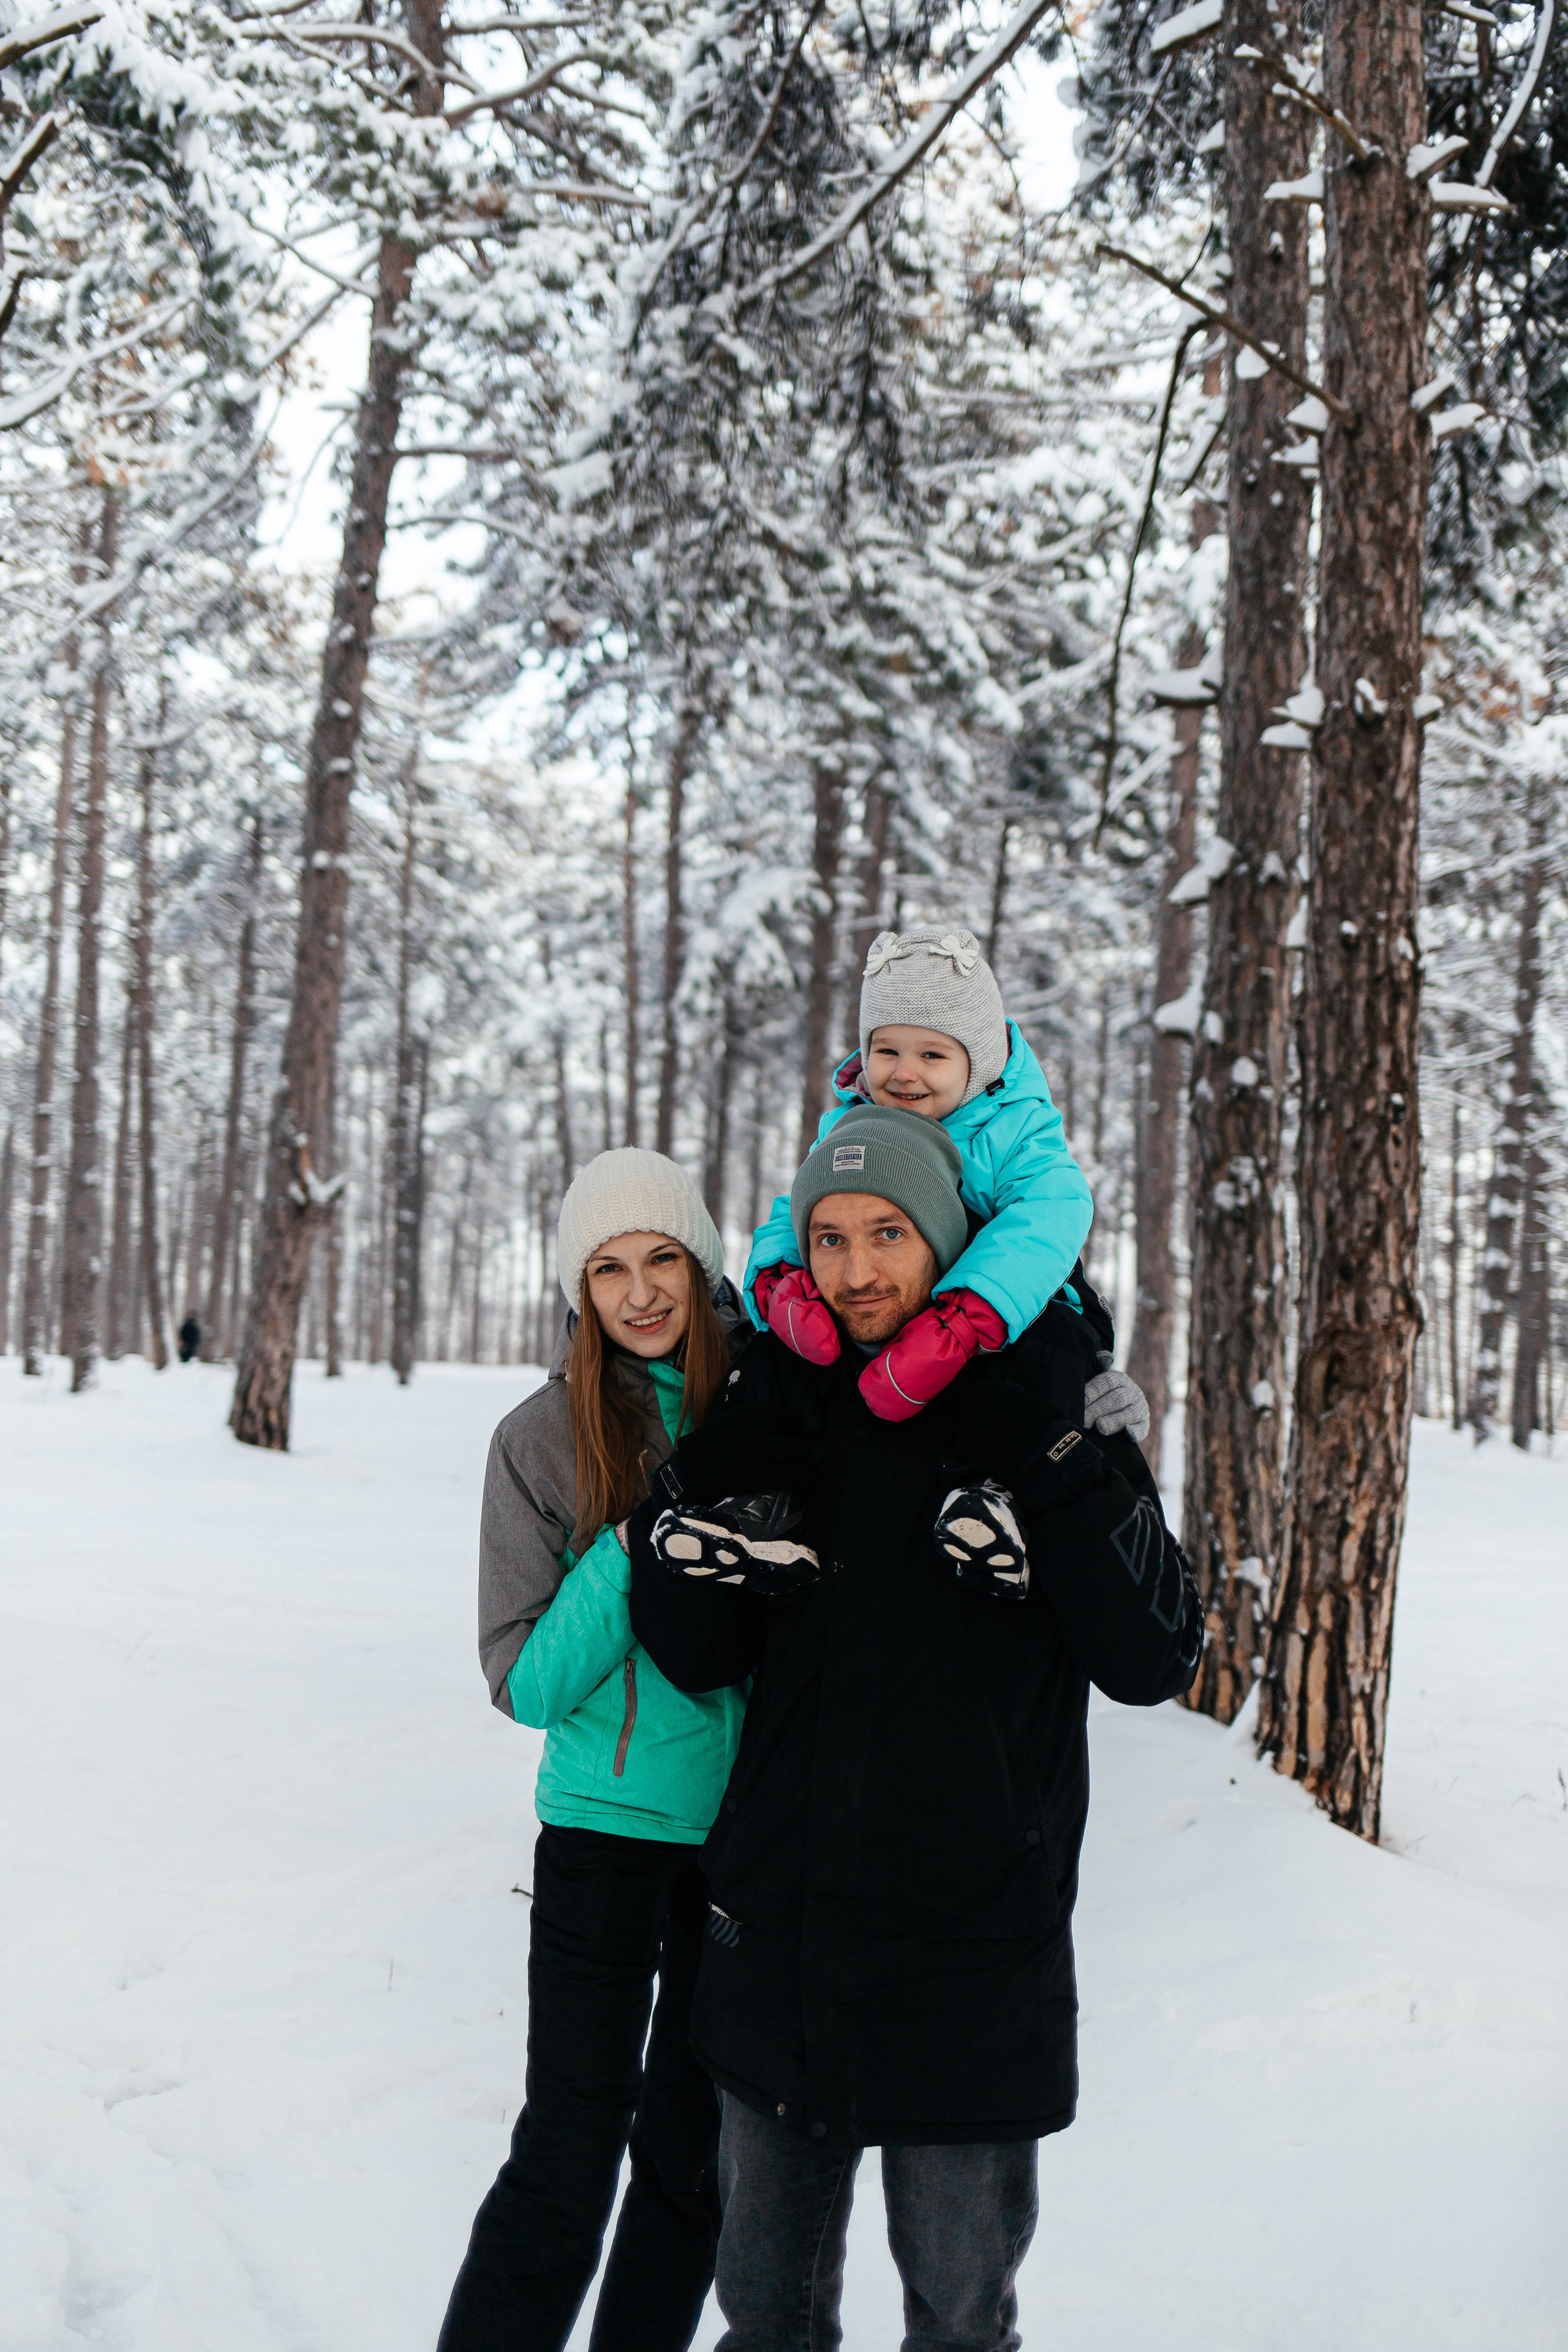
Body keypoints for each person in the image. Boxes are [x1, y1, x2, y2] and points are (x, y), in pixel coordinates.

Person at [628, 1106, 1202, 2352]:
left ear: (947, 1239)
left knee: (958, 2321)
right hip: (778, 1935)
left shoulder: (1045, 1388)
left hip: (968, 1950)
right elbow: (696, 1652)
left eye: (887, 1233)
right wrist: (688, 1504)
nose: (855, 1270)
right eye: (828, 1238)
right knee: (764, 2319)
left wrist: (1058, 1459)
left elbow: (1153, 1656)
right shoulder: (789, 1388)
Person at [439, 1148, 753, 2352]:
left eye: (661, 1258)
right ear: (579, 1289)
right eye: (608, 1269)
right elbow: (521, 1680)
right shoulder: (539, 1440)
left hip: (742, 1847)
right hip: (601, 1839)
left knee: (691, 2161)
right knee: (569, 2148)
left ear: (702, 1264)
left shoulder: (769, 1409)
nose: (639, 1292)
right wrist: (633, 1550)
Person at [744, 924, 1098, 1422]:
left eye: (932, 1054)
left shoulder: (1014, 1128)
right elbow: (803, 1210)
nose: (904, 1073)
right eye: (887, 1051)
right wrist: (779, 1279)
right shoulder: (854, 1126)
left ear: (979, 1062)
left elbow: (1047, 1217)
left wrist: (964, 1321)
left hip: (1001, 1318)